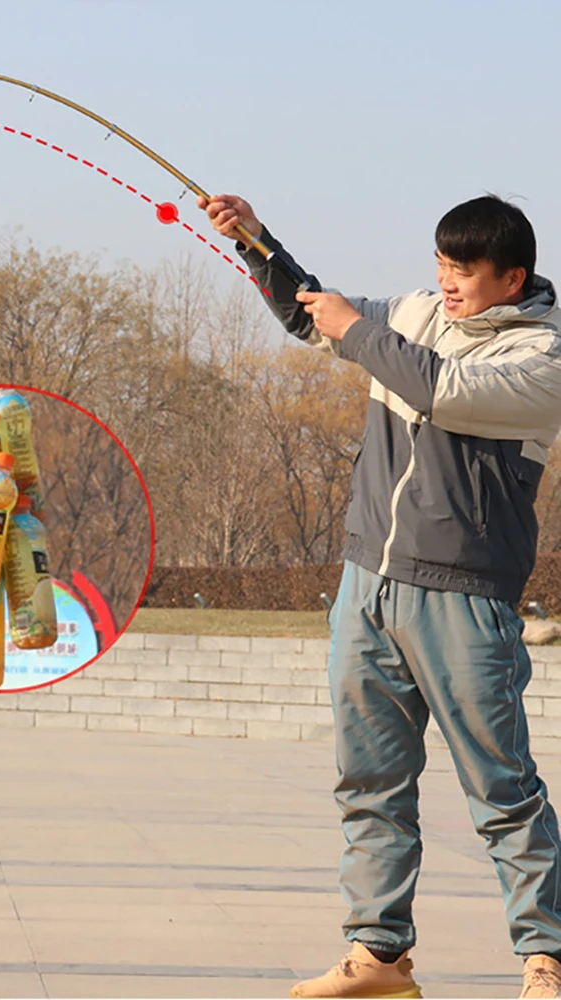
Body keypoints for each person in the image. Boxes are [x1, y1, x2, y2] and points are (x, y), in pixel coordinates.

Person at [199, 192, 561, 999]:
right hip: (367, 586)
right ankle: (378, 955)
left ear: (513, 277)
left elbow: (442, 390)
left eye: (463, 270)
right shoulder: (416, 312)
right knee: (369, 782)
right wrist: (257, 241)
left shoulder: (545, 358)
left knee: (501, 788)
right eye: (440, 263)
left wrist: (358, 330)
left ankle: (546, 957)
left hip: (464, 599)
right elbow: (309, 316)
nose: (447, 282)